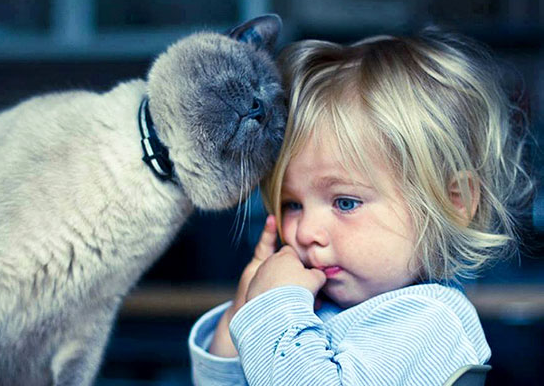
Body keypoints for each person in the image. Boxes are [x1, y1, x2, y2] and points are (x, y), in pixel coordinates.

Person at [188, 27, 533, 385]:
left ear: (453, 201)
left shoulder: (430, 320)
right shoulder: (310, 310)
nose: (304, 232)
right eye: (292, 204)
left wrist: (273, 310)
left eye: (346, 202)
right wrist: (243, 312)